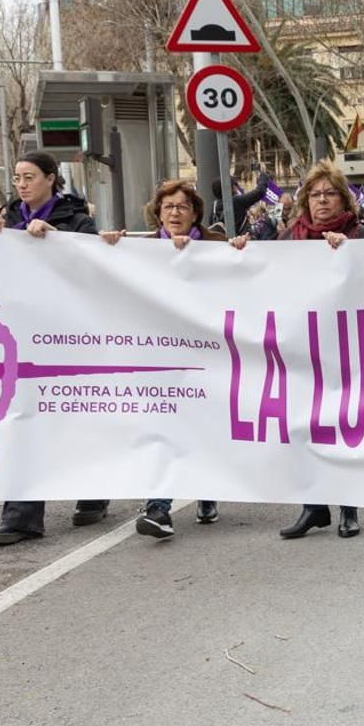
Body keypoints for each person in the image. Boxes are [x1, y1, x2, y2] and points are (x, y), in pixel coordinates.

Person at [0, 152, 110, 544]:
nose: (21, 184)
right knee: (20, 418)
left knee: (75, 415)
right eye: (17, 177)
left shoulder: (76, 220)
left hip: (66, 334)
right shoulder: (5, 220)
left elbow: (92, 267)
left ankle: (93, 491)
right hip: (17, 337)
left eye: (29, 177)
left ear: (51, 179)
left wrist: (56, 239)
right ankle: (21, 516)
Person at [99, 179, 238, 539]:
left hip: (207, 353)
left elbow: (238, 281)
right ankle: (158, 508)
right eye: (168, 207)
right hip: (158, 356)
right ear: (157, 213)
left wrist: (237, 250)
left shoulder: (215, 245)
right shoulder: (140, 248)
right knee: (163, 427)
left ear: (195, 213)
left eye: (182, 207)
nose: (175, 213)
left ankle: (207, 491)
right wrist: (111, 248)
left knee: (203, 424)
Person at [271, 161, 364, 540]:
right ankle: (314, 506)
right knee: (304, 425)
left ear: (342, 198)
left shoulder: (363, 234)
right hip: (302, 346)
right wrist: (239, 250)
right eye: (314, 195)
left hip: (349, 346)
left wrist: (349, 253)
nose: (321, 201)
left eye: (329, 193)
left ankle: (348, 506)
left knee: (342, 425)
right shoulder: (289, 238)